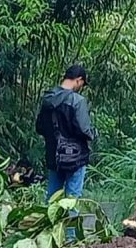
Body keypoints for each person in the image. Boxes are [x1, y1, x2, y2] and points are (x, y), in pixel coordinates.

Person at [35, 64, 95, 203]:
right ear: (78, 80)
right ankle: (70, 225)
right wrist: (93, 134)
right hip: (75, 158)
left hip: (53, 156)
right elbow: (84, 130)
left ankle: (47, 224)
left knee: (51, 198)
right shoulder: (77, 101)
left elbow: (39, 127)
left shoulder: (48, 98)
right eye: (82, 84)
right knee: (71, 199)